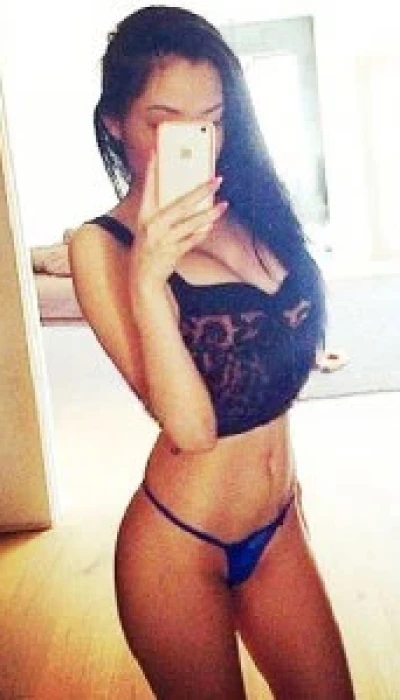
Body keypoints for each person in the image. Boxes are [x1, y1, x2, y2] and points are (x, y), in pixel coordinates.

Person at [68, 6, 355, 698]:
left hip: (278, 525)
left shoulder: (248, 204)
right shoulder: (102, 248)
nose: (194, 140)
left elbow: (287, 333)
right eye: (163, 121)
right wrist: (149, 279)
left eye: (211, 119)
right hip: (178, 547)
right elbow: (192, 429)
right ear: (115, 123)